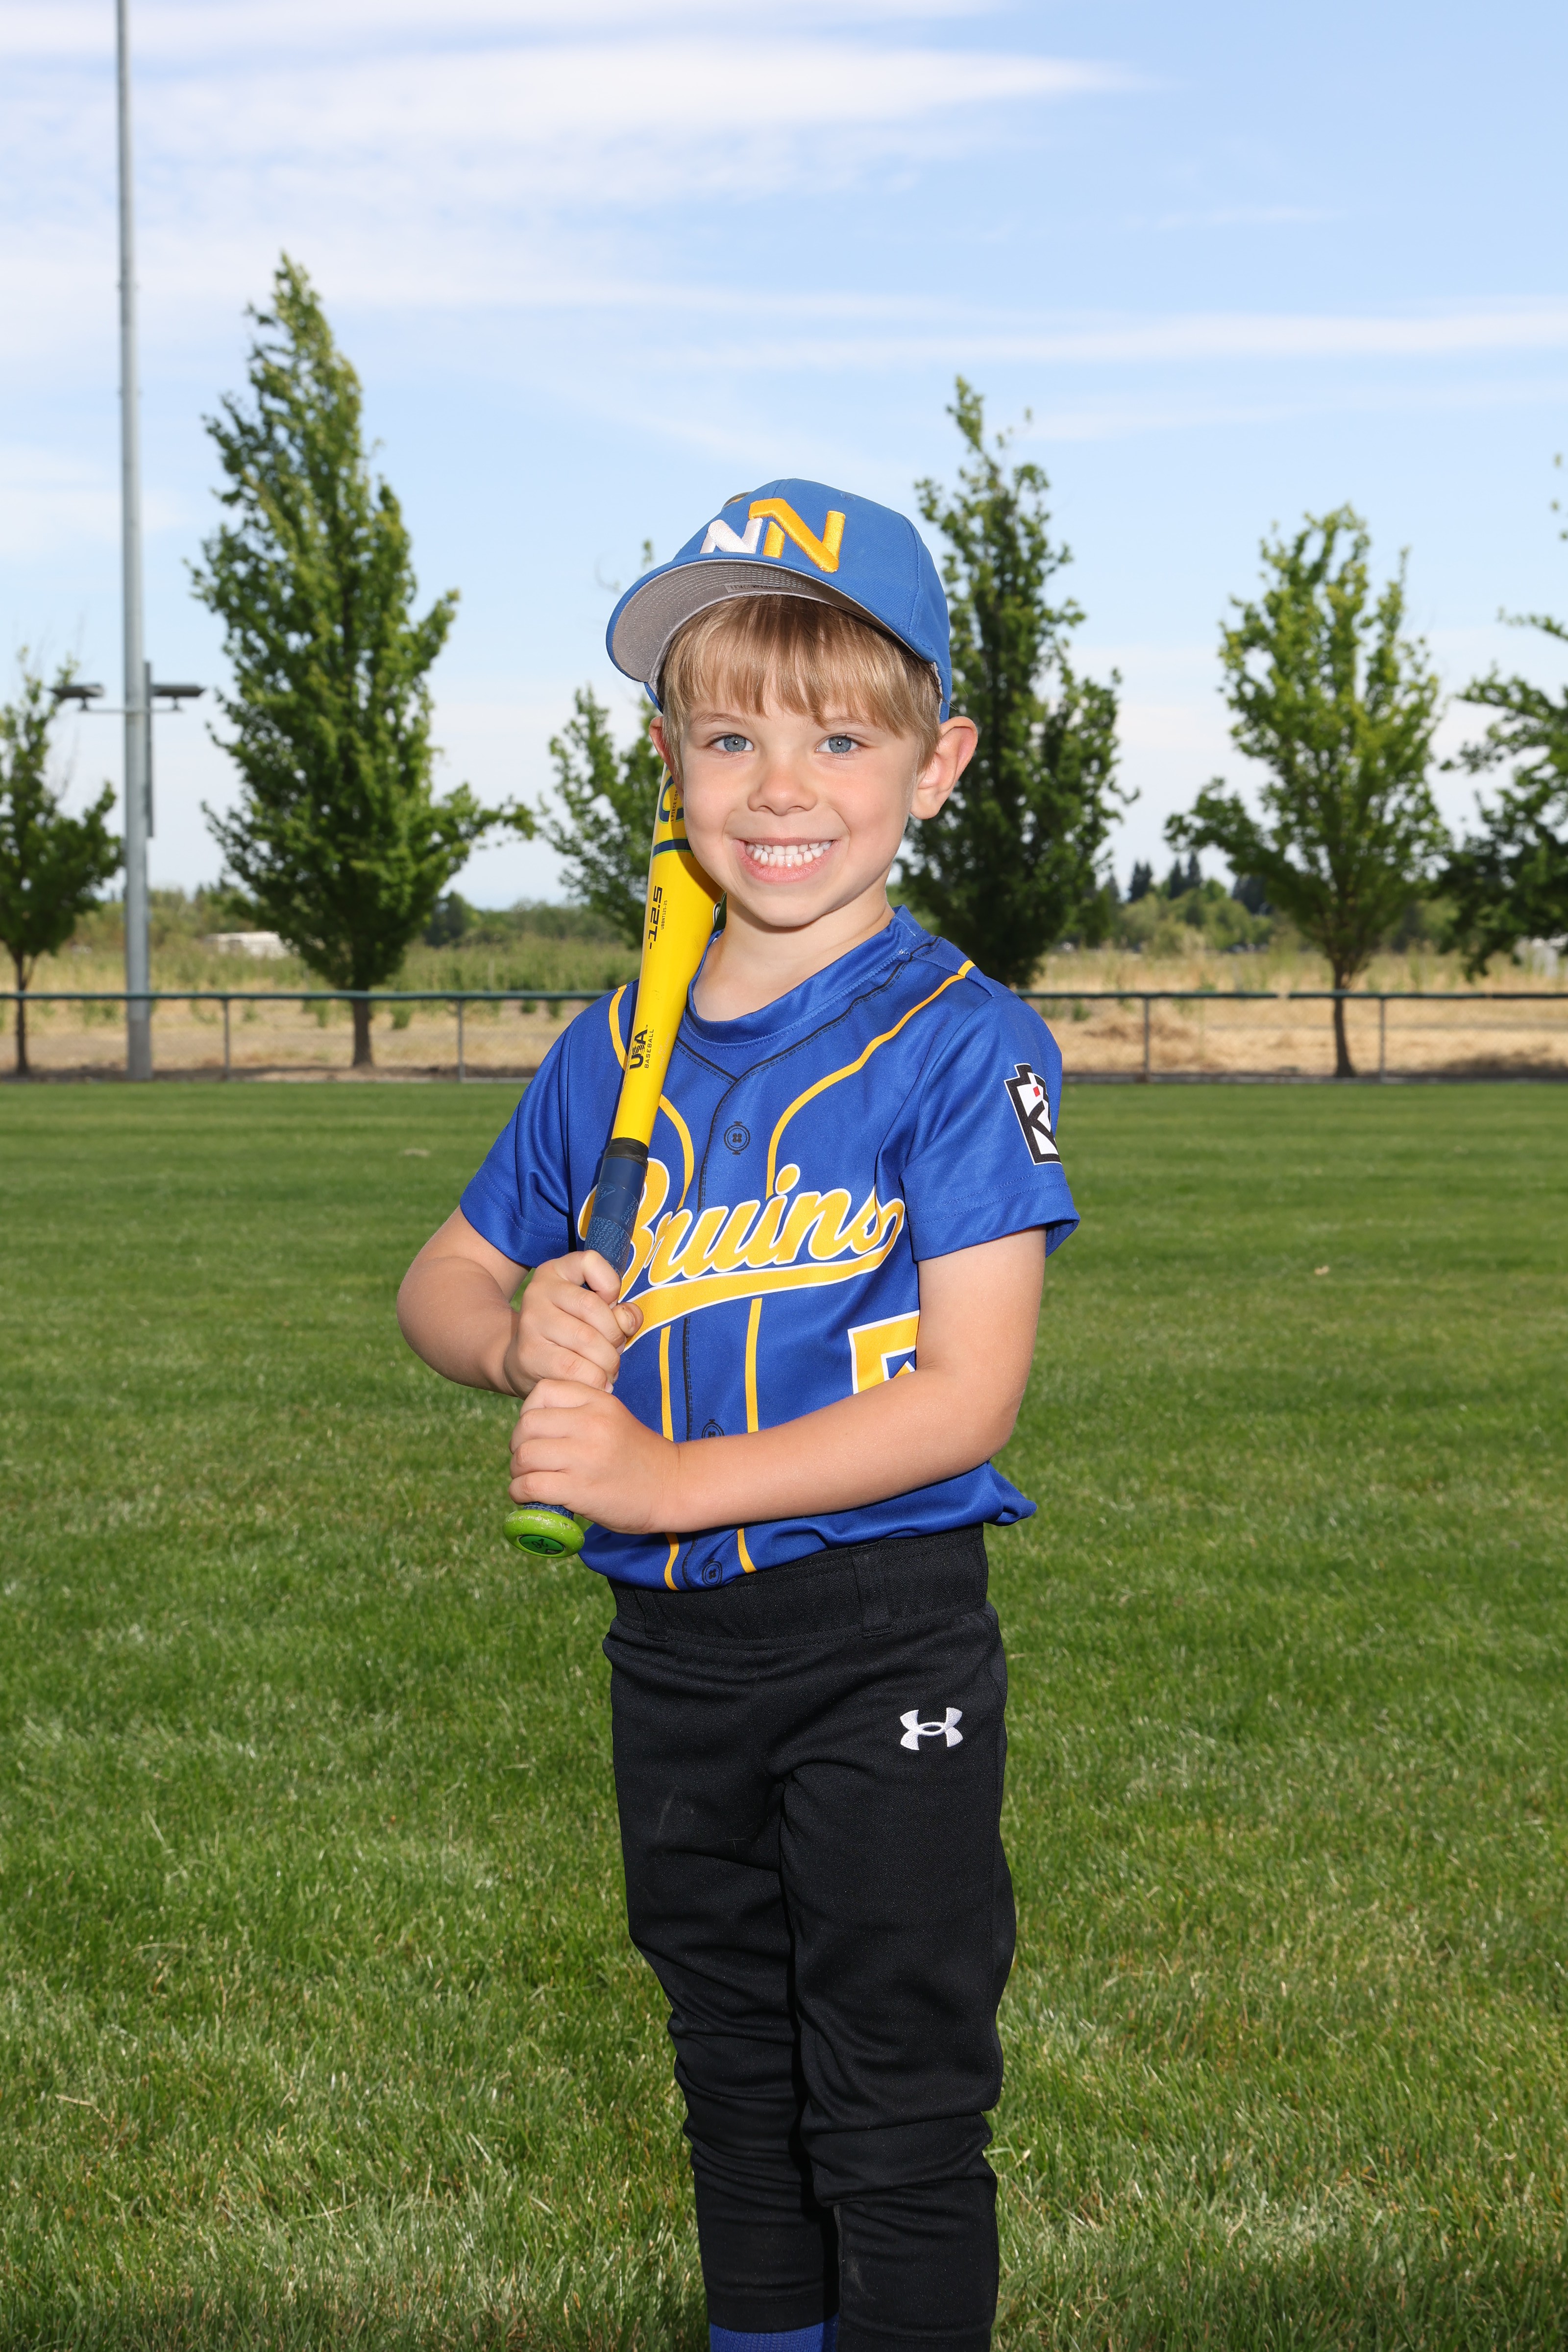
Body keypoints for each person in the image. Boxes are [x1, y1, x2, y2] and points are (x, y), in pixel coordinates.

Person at [397, 480, 1079, 2352]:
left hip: (882, 1632)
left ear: (936, 766)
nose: (782, 787)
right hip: (677, 1657)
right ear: (666, 760)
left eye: (840, 740)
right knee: (734, 2067)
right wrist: (512, 1338)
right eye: (729, 738)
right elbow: (438, 1281)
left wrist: (658, 1474)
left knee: (892, 2090)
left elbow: (969, 1399)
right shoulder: (618, 1043)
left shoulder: (962, 1041)